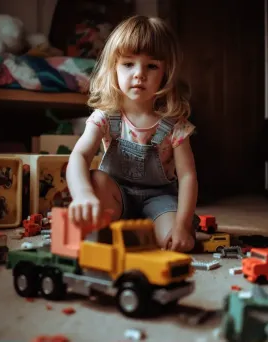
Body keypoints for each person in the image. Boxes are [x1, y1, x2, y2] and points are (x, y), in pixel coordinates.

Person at [66, 15, 198, 252]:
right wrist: (83, 194)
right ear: (113, 68)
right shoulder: (105, 116)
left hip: (159, 199)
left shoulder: (174, 125)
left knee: (174, 243)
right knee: (96, 180)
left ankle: (147, 229)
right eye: (128, 64)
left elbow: (187, 176)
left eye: (152, 66)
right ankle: (124, 228)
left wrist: (182, 224)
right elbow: (79, 156)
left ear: (166, 72)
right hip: (116, 195)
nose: (139, 74)